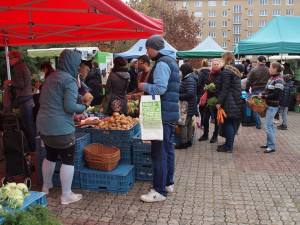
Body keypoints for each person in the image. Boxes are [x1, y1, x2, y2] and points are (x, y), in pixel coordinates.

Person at [37, 49, 93, 204]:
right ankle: (66, 195)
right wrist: (84, 106)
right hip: (61, 127)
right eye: (77, 64)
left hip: (44, 125)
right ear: (72, 63)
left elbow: (44, 99)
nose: (77, 68)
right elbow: (69, 106)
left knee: (50, 155)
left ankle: (46, 186)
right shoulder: (69, 80)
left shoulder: (50, 77)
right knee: (68, 159)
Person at [139, 35, 179, 202]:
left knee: (159, 154)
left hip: (161, 114)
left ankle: (159, 190)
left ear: (156, 48)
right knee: (168, 151)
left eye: (148, 48)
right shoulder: (171, 61)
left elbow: (161, 88)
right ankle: (168, 183)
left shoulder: (162, 63)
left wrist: (144, 86)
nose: (147, 52)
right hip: (168, 114)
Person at [5, 50, 36, 153]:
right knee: (29, 124)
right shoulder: (22, 66)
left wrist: (10, 82)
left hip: (24, 97)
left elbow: (20, 84)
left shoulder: (18, 67)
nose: (9, 60)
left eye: (10, 58)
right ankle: (32, 147)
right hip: (27, 98)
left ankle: (33, 148)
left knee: (28, 125)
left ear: (16, 58)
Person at [216, 52, 243, 153]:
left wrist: (219, 102)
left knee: (228, 123)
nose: (221, 60)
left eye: (222, 58)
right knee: (231, 123)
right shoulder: (234, 71)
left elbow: (225, 88)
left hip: (228, 101)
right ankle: (228, 143)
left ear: (225, 59)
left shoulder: (227, 72)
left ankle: (228, 146)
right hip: (234, 100)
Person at [259, 62, 284, 153]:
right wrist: (263, 94)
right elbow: (268, 90)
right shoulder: (272, 78)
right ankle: (269, 143)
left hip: (273, 105)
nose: (269, 69)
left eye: (270, 68)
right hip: (269, 104)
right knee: (269, 125)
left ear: (275, 69)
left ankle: (271, 146)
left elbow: (277, 93)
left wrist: (265, 96)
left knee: (268, 125)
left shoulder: (279, 79)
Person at [175, 63, 198, 149]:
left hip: (187, 105)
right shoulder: (190, 78)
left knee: (182, 124)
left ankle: (184, 142)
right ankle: (188, 141)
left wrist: (178, 96)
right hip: (190, 105)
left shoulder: (189, 79)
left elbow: (190, 93)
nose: (180, 73)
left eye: (181, 71)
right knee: (188, 123)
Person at [199, 59, 222, 143]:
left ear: (220, 65)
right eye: (214, 64)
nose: (216, 65)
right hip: (208, 99)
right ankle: (205, 134)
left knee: (216, 119)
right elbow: (206, 84)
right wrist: (206, 87)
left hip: (217, 99)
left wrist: (215, 90)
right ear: (212, 65)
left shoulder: (222, 74)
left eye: (217, 64)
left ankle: (215, 136)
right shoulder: (209, 74)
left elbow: (223, 88)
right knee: (205, 118)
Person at [245, 56, 270, 129]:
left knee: (255, 107)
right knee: (265, 106)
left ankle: (258, 124)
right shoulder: (268, 70)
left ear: (258, 61)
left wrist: (247, 90)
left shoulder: (254, 70)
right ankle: (267, 123)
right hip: (266, 91)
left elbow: (248, 81)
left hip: (255, 90)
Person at [197, 60, 210, 130]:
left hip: (201, 94)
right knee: (206, 110)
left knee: (201, 110)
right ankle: (205, 124)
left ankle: (202, 123)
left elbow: (199, 83)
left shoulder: (201, 73)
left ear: (202, 65)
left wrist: (197, 92)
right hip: (208, 93)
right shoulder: (210, 72)